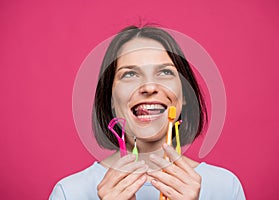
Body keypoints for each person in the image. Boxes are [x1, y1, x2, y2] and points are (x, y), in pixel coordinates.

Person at [50, 25, 246, 200]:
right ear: (110, 100)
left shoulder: (225, 188)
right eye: (130, 74)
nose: (149, 86)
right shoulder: (70, 193)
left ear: (185, 95)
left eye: (165, 72)